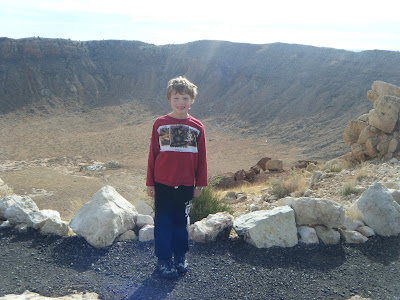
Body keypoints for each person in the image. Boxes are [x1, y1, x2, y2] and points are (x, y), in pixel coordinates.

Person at [146, 76, 208, 278]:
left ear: (192, 100)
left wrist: (200, 185)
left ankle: (180, 256)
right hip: (162, 183)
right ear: (169, 100)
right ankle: (164, 259)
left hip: (185, 185)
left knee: (181, 222)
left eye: (185, 98)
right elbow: (153, 154)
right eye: (176, 98)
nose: (181, 103)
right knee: (163, 222)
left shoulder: (197, 127)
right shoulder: (160, 124)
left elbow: (202, 159)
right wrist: (150, 183)